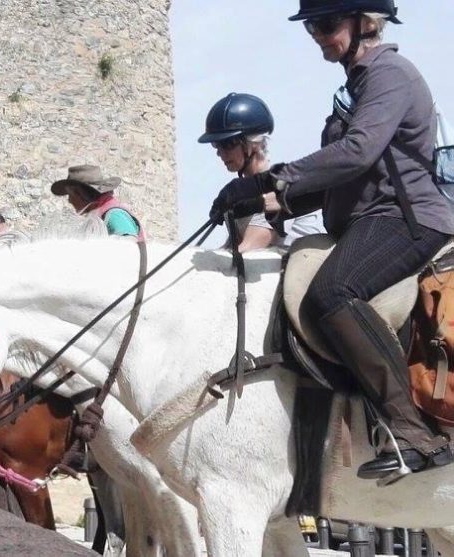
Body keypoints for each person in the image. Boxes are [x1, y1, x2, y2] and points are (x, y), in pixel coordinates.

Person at [209, 0, 453, 479]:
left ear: (365, 23)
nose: (318, 35)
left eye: (326, 24)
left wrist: (265, 181)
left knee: (332, 292)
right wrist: (254, 202)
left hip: (407, 219)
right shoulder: (353, 90)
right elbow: (329, 184)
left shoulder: (391, 75)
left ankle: (413, 435)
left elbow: (357, 154)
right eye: (311, 27)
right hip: (368, 221)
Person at [198, 93, 325, 251]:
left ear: (253, 144)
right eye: (216, 145)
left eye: (227, 144)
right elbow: (230, 250)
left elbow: (248, 249)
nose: (220, 153)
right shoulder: (241, 196)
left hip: (305, 266)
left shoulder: (275, 188)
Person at [50, 165, 141, 237]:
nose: (69, 200)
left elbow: (130, 248)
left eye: (70, 195)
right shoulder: (99, 214)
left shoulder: (113, 214)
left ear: (80, 194)